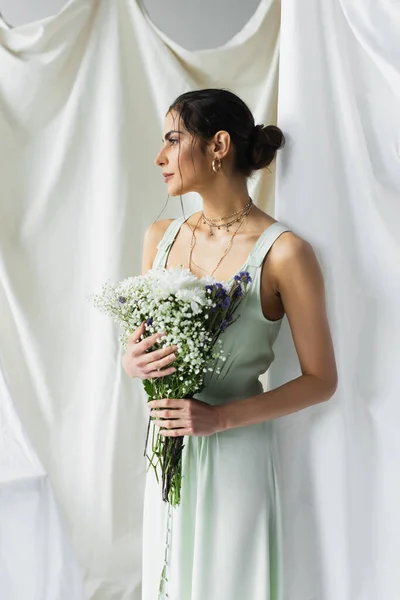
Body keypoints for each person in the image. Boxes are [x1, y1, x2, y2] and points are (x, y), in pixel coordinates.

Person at [122, 89, 338, 600]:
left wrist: (219, 419)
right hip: (166, 448)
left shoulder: (285, 254)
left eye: (173, 139)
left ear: (218, 145)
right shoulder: (160, 237)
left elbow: (321, 380)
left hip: (236, 455)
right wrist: (131, 360)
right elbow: (146, 341)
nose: (160, 157)